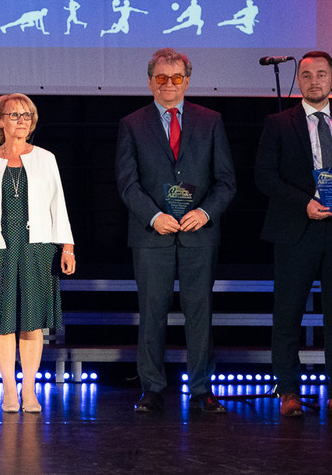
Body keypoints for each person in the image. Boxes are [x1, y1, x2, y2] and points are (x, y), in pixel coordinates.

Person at [255, 50, 332, 420]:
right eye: (306, 75)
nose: (314, 81)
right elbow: (264, 176)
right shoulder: (279, 123)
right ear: (299, 80)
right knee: (287, 315)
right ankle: (289, 391)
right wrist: (303, 203)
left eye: (321, 74)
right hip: (297, 230)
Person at [116, 48, 236, 414]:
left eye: (177, 77)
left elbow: (226, 181)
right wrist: (154, 216)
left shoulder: (210, 120)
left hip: (199, 232)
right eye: (162, 78)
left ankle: (201, 389)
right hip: (152, 234)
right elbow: (127, 183)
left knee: (200, 313)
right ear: (150, 81)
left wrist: (205, 212)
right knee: (152, 312)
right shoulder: (131, 124)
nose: (169, 84)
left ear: (187, 81)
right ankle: (152, 388)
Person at [0, 94, 75, 415]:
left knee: (31, 321)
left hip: (37, 247)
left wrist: (67, 246)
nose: (22, 120)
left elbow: (58, 203)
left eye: (27, 115)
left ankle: (29, 390)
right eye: (14, 115)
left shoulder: (46, 159)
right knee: (2, 322)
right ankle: (9, 390)